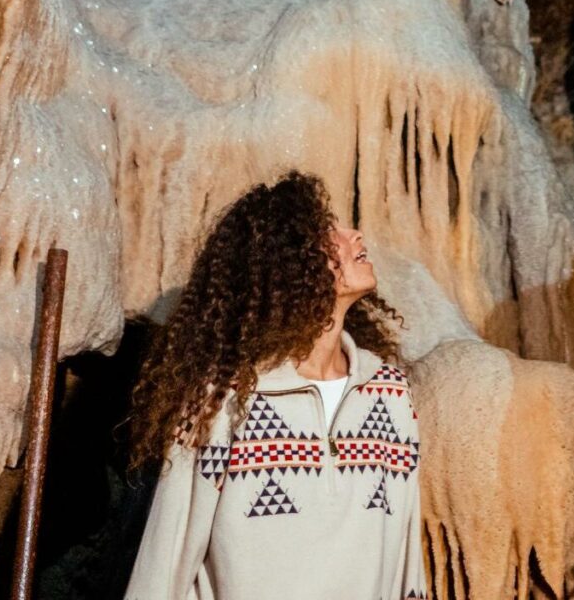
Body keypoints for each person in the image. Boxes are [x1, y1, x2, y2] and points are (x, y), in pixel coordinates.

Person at [123, 171, 424, 599]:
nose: (353, 235)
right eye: (327, 231)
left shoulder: (390, 394)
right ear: (287, 263)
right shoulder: (222, 402)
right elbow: (164, 567)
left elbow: (409, 570)